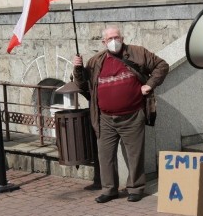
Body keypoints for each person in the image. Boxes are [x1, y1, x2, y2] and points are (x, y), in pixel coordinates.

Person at [72, 25, 169, 203]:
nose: (114, 41)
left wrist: (150, 84)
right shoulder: (96, 61)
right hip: (105, 118)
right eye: (109, 39)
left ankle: (135, 188)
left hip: (132, 115)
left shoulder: (137, 53)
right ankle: (109, 189)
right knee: (105, 156)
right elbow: (83, 85)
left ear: (122, 38)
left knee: (134, 154)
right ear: (104, 42)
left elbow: (161, 66)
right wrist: (78, 69)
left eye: (117, 37)